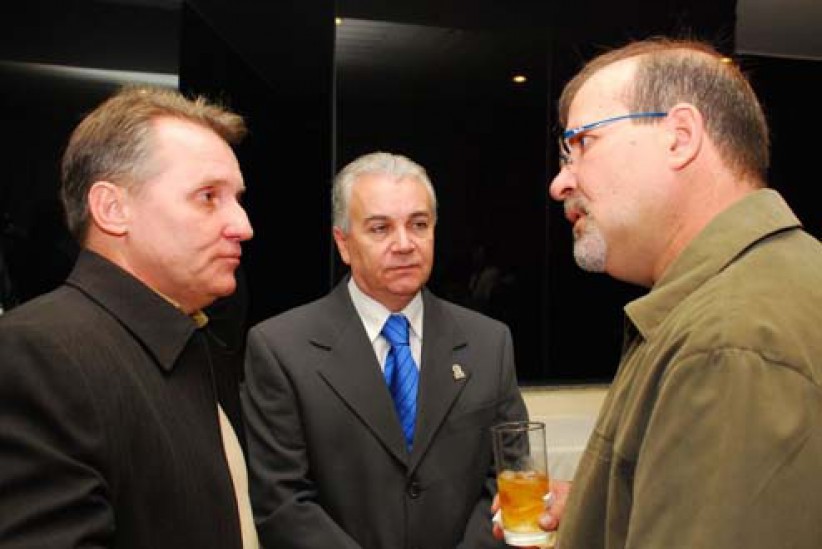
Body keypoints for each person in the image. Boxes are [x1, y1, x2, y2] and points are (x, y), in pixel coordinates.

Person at [540, 37, 822, 548]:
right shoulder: (753, 289)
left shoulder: (730, 343)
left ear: (680, 137)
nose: (560, 183)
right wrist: (596, 510)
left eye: (581, 144)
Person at [0, 86, 258, 548]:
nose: (243, 225)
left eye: (236, 199)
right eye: (207, 197)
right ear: (112, 209)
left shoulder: (190, 341)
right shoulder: (37, 355)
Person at [242, 151, 528, 548]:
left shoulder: (488, 343)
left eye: (419, 224)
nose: (404, 244)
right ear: (343, 243)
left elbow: (510, 479)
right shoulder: (280, 349)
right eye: (380, 228)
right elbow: (283, 504)